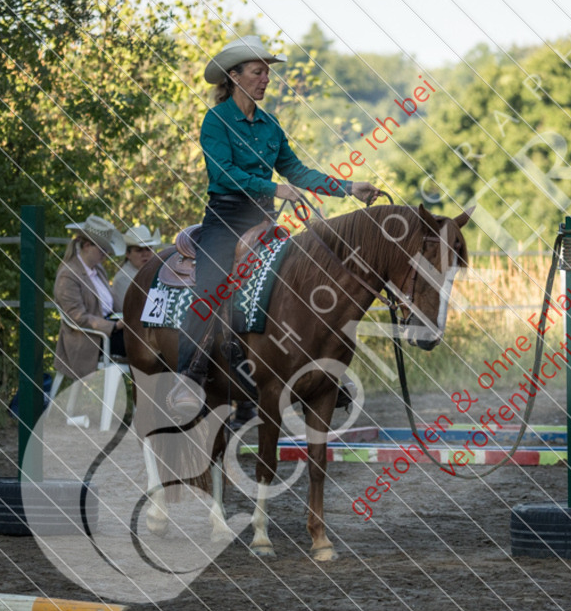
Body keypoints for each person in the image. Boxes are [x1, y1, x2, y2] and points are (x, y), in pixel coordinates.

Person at [170, 35, 382, 415]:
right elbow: (225, 172)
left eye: (267, 72)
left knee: (308, 278)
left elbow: (297, 171)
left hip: (265, 222)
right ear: (234, 77)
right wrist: (275, 187)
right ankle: (189, 375)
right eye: (257, 71)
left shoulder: (270, 125)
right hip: (225, 218)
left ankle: (315, 369)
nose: (266, 78)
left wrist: (349, 187)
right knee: (211, 290)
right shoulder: (215, 121)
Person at [54, 215, 128, 383]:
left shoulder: (98, 270)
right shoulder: (68, 275)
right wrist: (114, 325)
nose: (106, 254)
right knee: (144, 346)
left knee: (148, 338)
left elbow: (112, 303)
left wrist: (128, 316)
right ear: (87, 246)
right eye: (103, 249)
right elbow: (77, 316)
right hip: (89, 338)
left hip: (108, 330)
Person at [111, 224, 162, 306]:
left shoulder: (155, 272)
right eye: (139, 250)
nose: (145, 254)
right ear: (128, 254)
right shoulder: (123, 279)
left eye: (148, 249)